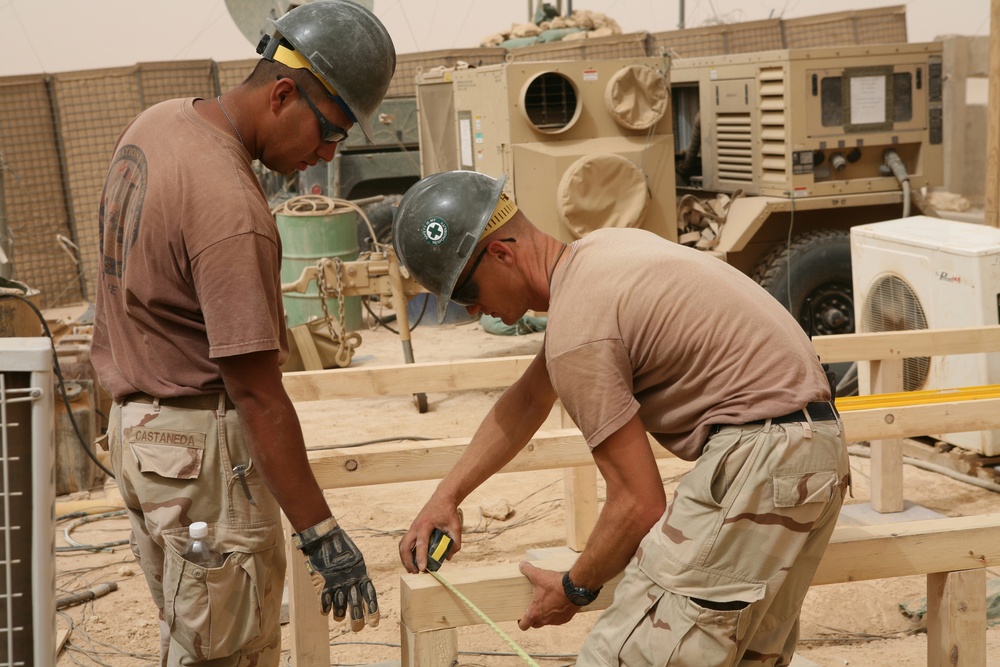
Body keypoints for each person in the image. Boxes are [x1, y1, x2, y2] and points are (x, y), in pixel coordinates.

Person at [394, 170, 851, 666]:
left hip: (760, 458)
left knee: (623, 656)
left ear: (501, 254)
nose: (470, 312)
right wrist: (447, 497)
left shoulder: (580, 331)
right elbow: (527, 400)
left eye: (465, 293)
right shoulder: (603, 253)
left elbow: (638, 504)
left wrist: (574, 588)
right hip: (815, 447)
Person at [91, 2, 395, 664]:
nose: (323, 155)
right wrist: (322, 534)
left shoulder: (158, 123)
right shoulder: (231, 208)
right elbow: (257, 393)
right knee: (230, 651)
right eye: (331, 132)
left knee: (193, 637)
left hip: (143, 441)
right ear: (283, 94)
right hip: (202, 458)